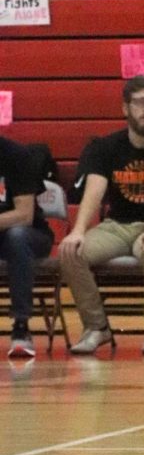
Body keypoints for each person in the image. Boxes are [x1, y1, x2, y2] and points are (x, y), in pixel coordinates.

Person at [59, 76, 144, 355]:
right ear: (125, 108)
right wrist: (79, 230)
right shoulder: (104, 147)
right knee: (70, 251)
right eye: (140, 102)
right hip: (116, 227)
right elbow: (94, 193)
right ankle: (96, 327)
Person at [0, 137, 55, 359]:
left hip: (30, 235)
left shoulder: (16, 155)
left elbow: (24, 215)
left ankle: (21, 327)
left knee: (17, 236)